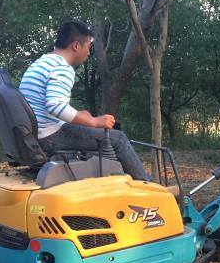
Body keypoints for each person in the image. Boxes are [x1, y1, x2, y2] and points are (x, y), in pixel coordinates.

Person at [19, 20, 151, 181]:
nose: (89, 52)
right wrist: (94, 121)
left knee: (99, 133)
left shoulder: (42, 63)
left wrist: (82, 117)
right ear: (76, 46)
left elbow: (46, 107)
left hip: (35, 136)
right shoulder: (62, 68)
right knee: (118, 139)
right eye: (88, 47)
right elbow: (55, 106)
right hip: (49, 138)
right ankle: (150, 188)